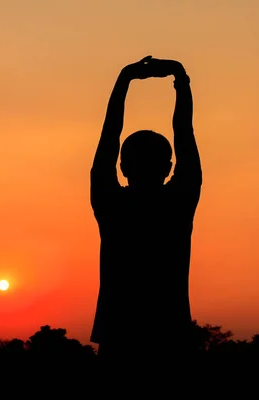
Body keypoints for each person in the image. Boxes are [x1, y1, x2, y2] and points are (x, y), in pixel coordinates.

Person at [90, 56, 202, 361]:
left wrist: (124, 79)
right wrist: (181, 79)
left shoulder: (111, 204)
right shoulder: (178, 203)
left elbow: (108, 136)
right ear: (168, 168)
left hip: (119, 338)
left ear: (123, 167)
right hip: (170, 336)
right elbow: (185, 132)